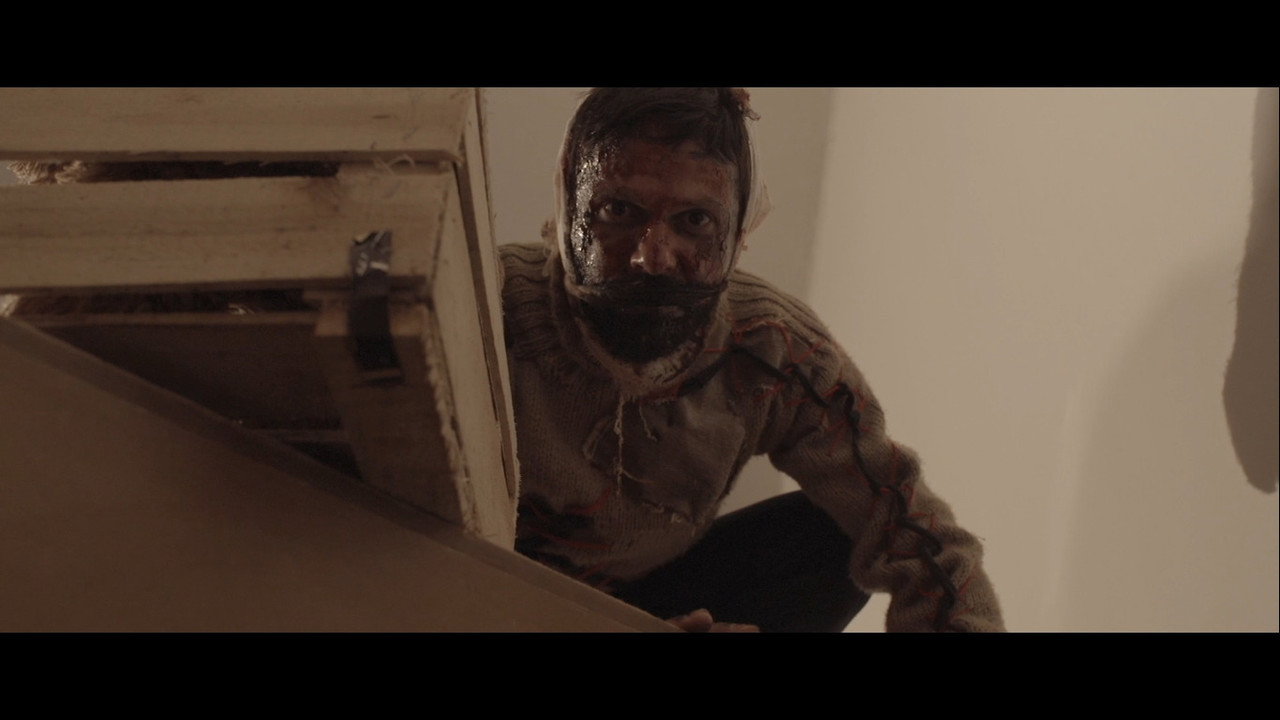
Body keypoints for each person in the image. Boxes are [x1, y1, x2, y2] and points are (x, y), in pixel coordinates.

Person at [501, 87, 1005, 632]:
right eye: (617, 210)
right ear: (568, 202)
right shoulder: (490, 299)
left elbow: (920, 537)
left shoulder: (772, 348)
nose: (653, 257)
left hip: (633, 604)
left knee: (829, 535)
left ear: (739, 230)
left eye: (695, 221)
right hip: (468, 585)